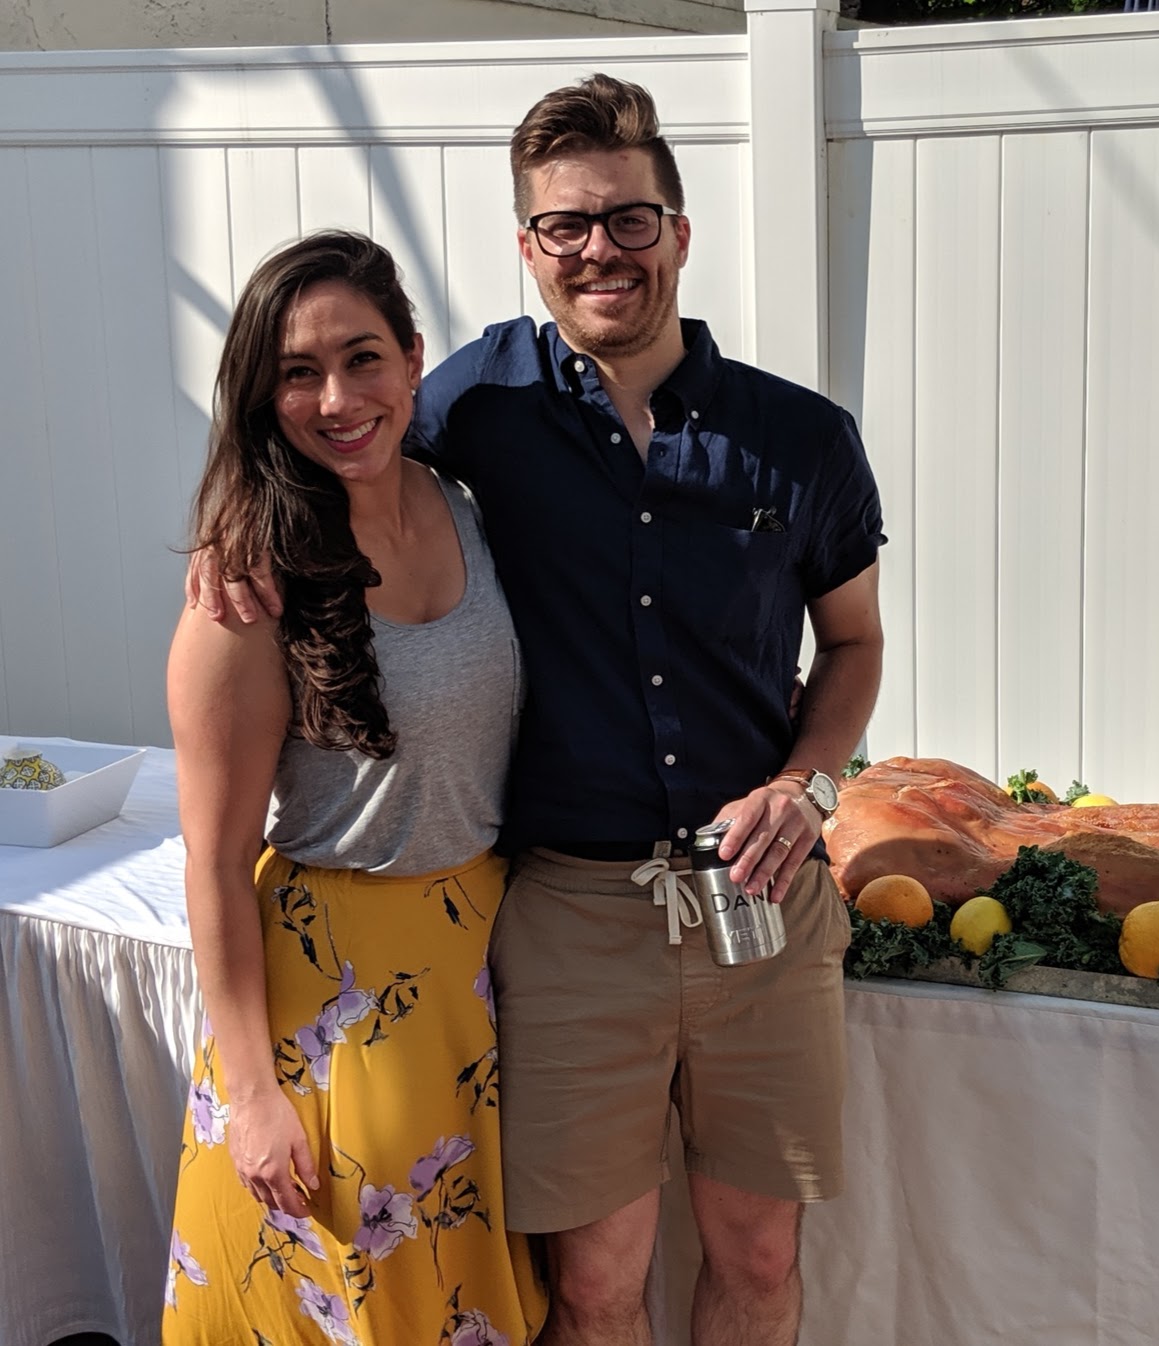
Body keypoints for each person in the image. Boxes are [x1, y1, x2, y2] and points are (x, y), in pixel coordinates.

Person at [195, 74, 886, 1346]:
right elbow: (327, 441)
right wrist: (229, 534)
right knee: (594, 1280)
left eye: (628, 218)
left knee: (761, 1246)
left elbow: (853, 644)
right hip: (569, 909)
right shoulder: (474, 406)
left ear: (678, 229)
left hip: (761, 902)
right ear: (528, 247)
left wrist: (811, 782)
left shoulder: (803, 440)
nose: (598, 251)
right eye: (564, 226)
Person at [165, 231, 545, 1345]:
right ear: (258, 391)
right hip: (331, 1009)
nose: (337, 398)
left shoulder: (466, 500)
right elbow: (213, 862)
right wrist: (254, 1094)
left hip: (475, 974)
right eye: (297, 371)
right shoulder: (244, 584)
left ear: (415, 360)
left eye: (363, 357)